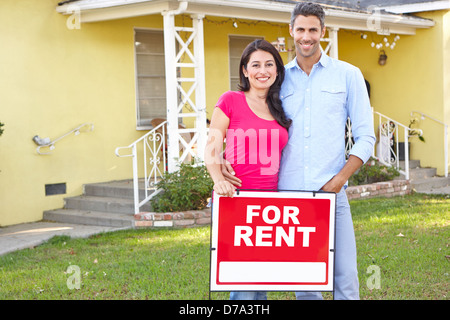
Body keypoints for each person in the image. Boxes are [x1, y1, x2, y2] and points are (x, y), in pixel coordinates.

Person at [222, 2, 376, 300]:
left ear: (323, 31)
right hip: (288, 198)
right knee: (305, 285)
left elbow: (366, 137)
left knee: (345, 279)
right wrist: (223, 159)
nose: (307, 36)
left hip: (332, 192)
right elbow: (249, 118)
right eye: (301, 29)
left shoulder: (348, 75)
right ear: (291, 30)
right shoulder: (277, 78)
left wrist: (339, 180)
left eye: (313, 30)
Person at [204, 39, 291, 300]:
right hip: (236, 200)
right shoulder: (231, 100)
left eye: (269, 64)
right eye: (255, 65)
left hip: (271, 206)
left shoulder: (280, 107)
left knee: (259, 281)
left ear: (277, 70)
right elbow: (212, 144)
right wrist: (219, 178)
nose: (262, 70)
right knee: (244, 283)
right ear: (244, 70)